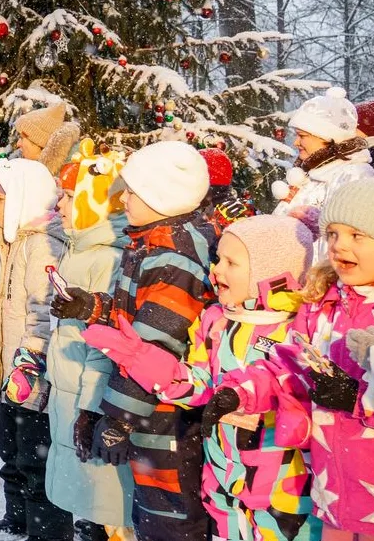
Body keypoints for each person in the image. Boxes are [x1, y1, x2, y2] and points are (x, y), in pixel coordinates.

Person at [87, 213, 320, 541]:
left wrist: (251, 396)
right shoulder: (216, 322)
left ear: (269, 270)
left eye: (231, 262)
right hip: (223, 476)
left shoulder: (298, 328)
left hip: (282, 486)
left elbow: (295, 387)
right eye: (217, 259)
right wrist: (143, 359)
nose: (217, 269)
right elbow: (196, 383)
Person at [60, 141, 217, 541]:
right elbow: (138, 318)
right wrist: (91, 307)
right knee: (152, 513)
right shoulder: (151, 246)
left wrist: (118, 418)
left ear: (161, 196)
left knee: (170, 519)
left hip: (169, 415)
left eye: (133, 191)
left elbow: (156, 346)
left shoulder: (174, 257)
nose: (123, 198)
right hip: (153, 411)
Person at [226, 178, 374, 541]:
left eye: (357, 235)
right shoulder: (322, 303)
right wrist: (243, 392)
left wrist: (359, 401)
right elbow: (292, 367)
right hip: (334, 494)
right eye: (332, 233)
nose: (340, 245)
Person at [0, 158, 71, 541]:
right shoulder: (13, 244)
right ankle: (17, 518)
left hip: (33, 374)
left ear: (21, 198)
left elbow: (45, 313)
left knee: (37, 458)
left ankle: (46, 531)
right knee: (12, 450)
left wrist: (29, 361)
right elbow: (15, 304)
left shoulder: (44, 245)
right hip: (13, 371)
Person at [44, 146, 134, 541]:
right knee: (89, 505)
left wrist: (90, 409)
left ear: (94, 201)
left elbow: (104, 347)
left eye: (68, 196)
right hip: (68, 391)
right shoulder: (77, 248)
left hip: (88, 400)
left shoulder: (107, 258)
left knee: (108, 505)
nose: (59, 204)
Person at [273, 88, 374, 256]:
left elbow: (347, 246)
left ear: (329, 137)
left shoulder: (355, 176)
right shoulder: (312, 174)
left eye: (302, 135)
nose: (296, 142)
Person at [13, 103, 82, 176]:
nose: (18, 144)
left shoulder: (75, 174)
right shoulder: (49, 173)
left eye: (22, 138)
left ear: (39, 142)